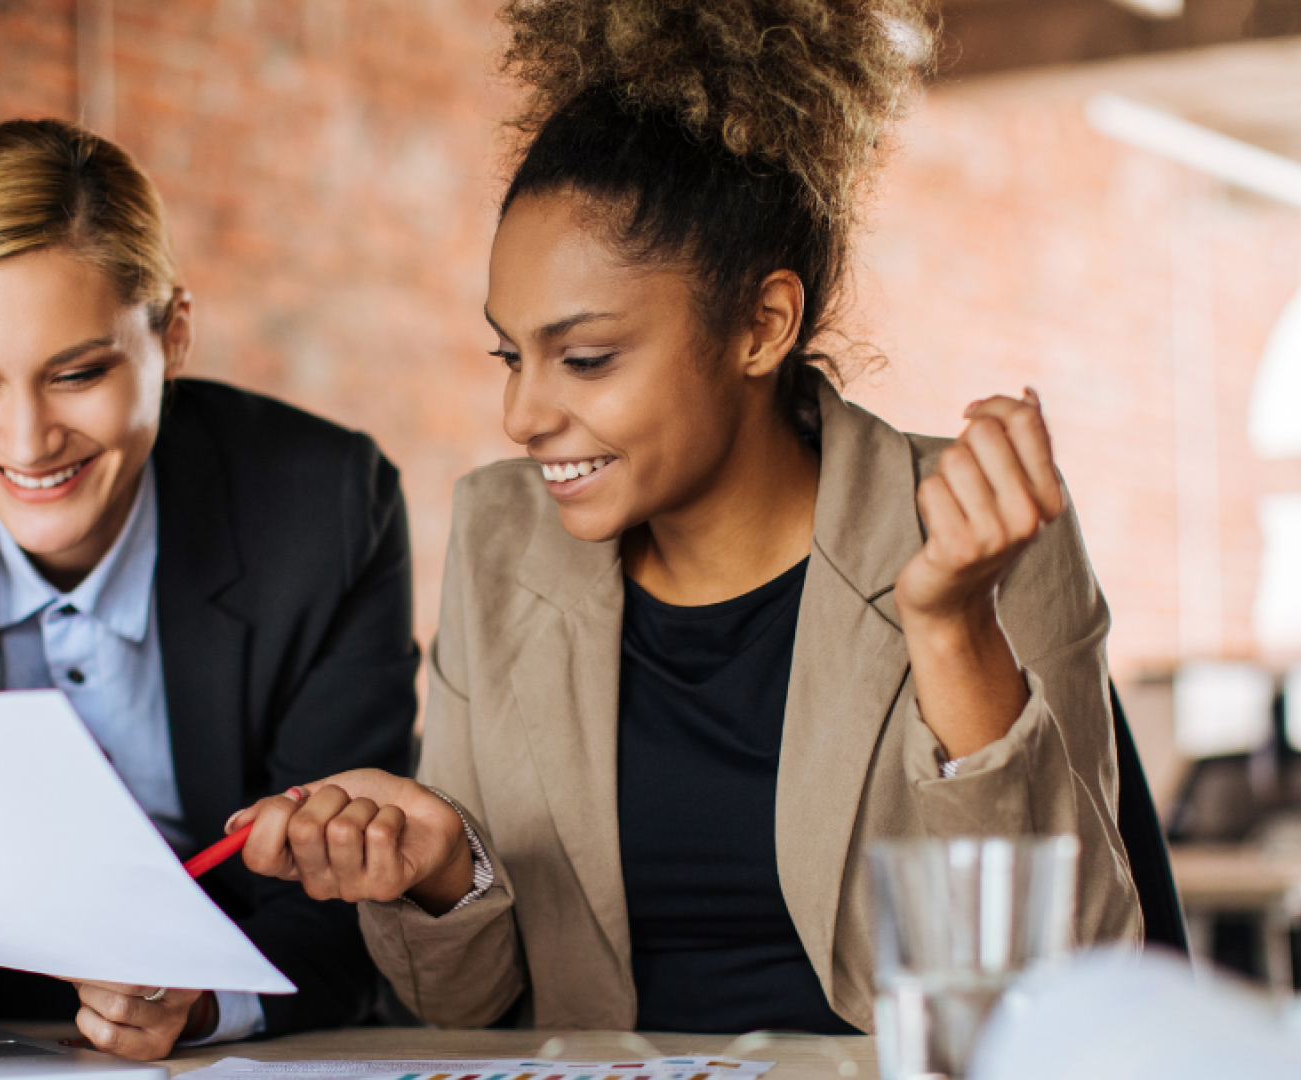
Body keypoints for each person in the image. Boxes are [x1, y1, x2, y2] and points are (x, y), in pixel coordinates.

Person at [226, 0, 1143, 1035]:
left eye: (585, 358)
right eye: (509, 356)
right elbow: (458, 1012)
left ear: (762, 325)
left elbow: (1068, 986)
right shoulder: (500, 537)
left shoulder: (977, 534)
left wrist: (952, 629)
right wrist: (444, 876)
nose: (522, 415)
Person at [0, 120, 418, 1058]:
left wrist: (203, 1003)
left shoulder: (326, 508)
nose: (24, 443)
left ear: (173, 337)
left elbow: (351, 907)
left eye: (78, 373)